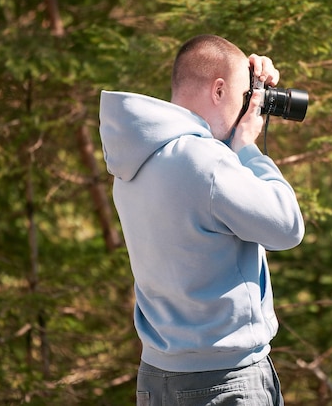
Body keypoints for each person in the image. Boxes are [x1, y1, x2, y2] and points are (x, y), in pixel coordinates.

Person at [99, 34, 305, 405]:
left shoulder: (136, 158)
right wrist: (247, 147)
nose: (250, 111)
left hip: (157, 376)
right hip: (223, 381)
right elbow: (287, 227)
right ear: (219, 90)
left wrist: (246, 80)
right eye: (246, 98)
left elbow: (202, 192)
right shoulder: (205, 164)